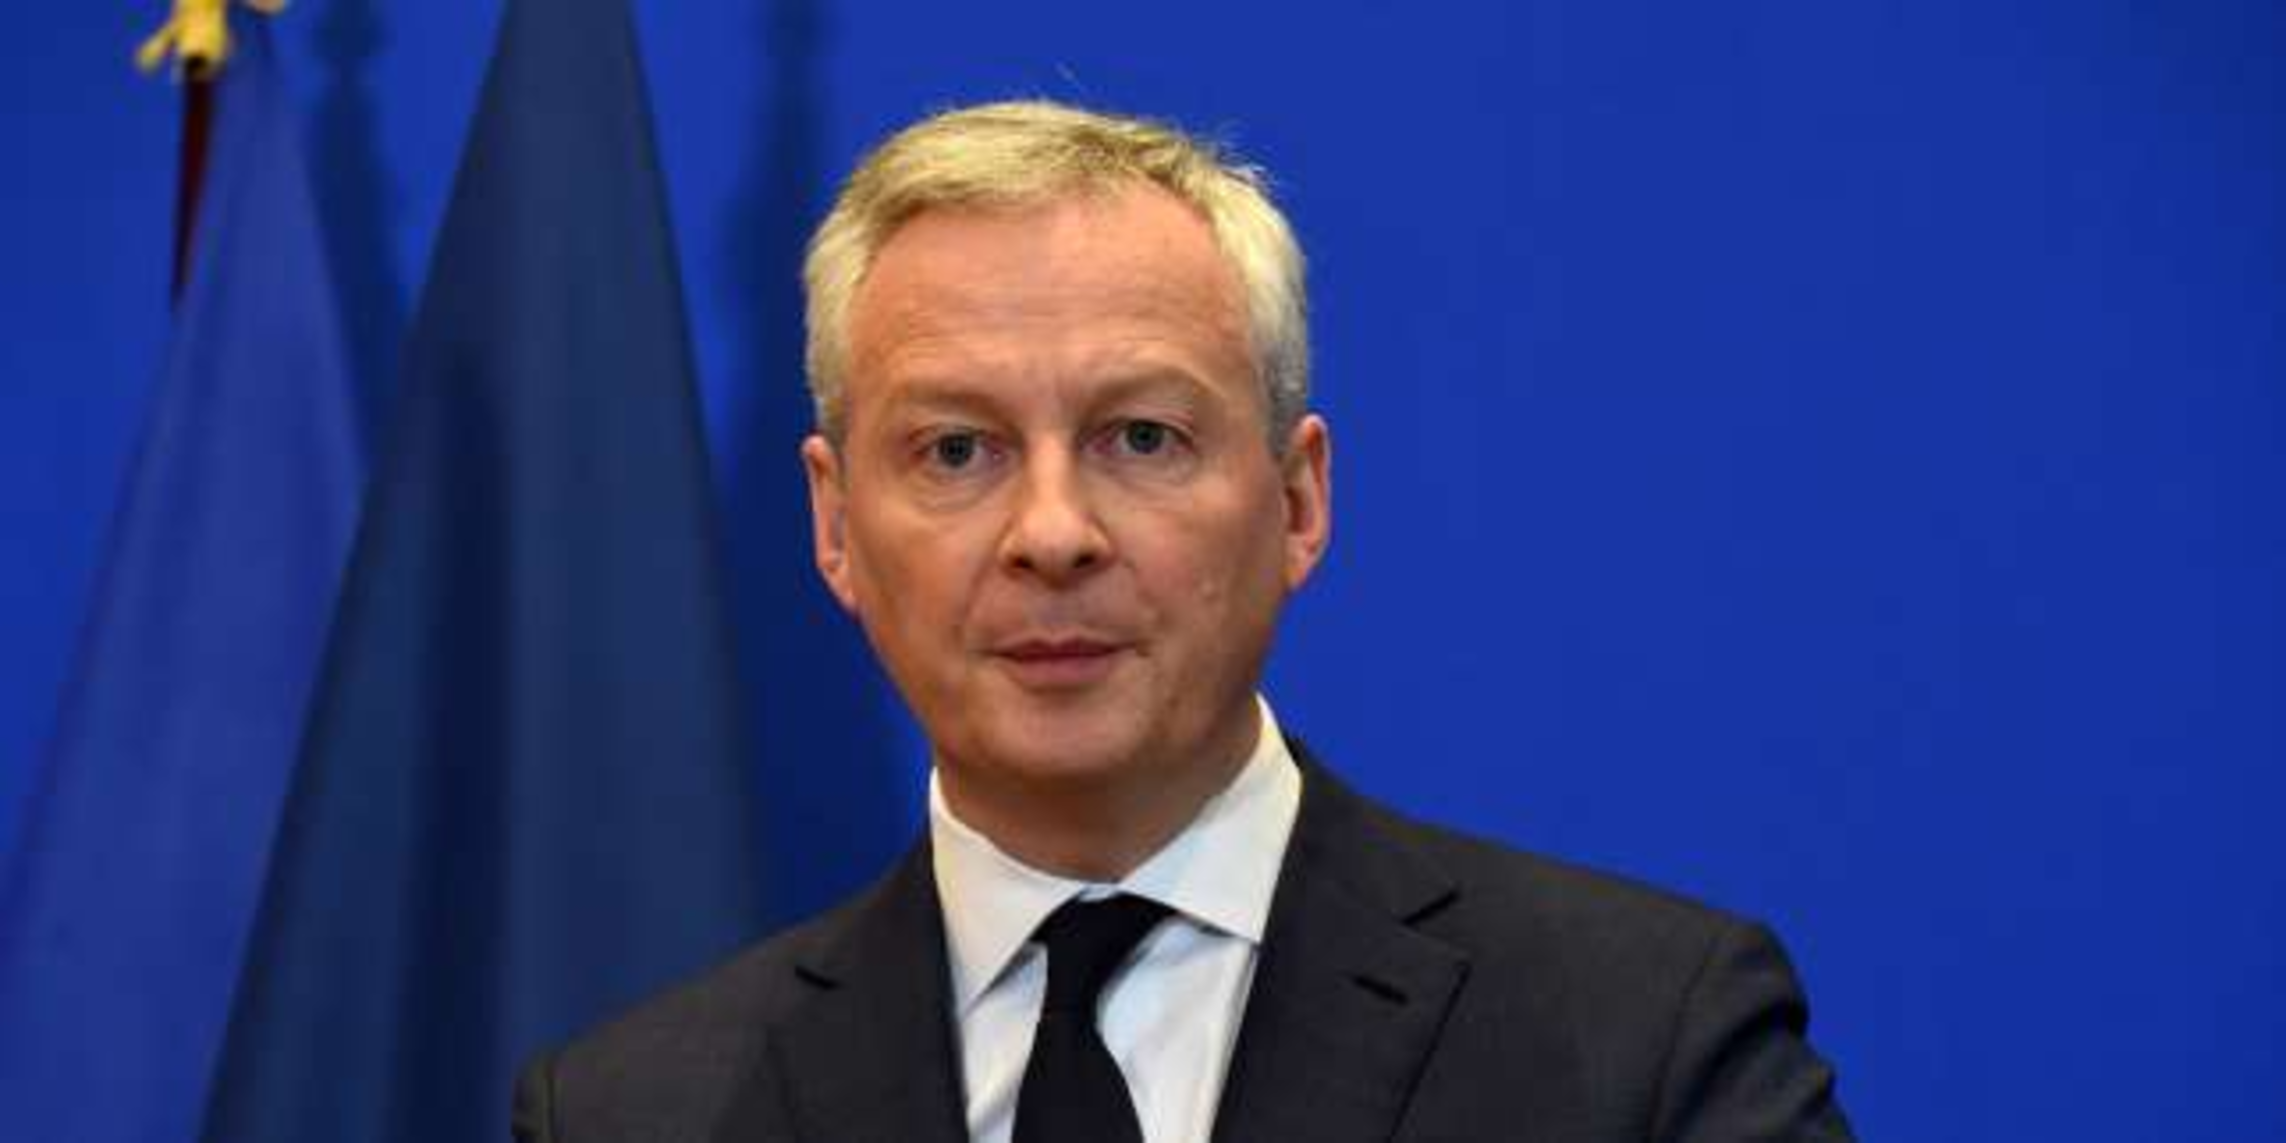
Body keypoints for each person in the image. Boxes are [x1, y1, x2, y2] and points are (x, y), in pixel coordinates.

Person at [512, 100, 1855, 1143]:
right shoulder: (633, 1114)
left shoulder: (1646, 1046)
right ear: (834, 527)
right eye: (957, 450)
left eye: (1141, 436)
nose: (1051, 532)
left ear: (1297, 500)